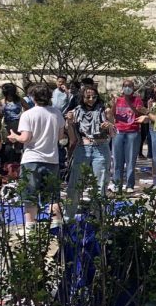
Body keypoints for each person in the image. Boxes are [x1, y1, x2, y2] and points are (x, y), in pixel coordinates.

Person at [8, 84, 64, 225]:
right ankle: (57, 223)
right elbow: (60, 137)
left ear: (33, 97)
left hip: (32, 158)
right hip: (52, 159)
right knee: (53, 196)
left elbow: (26, 138)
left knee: (29, 195)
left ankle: (30, 225)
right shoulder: (56, 113)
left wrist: (15, 136)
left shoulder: (28, 114)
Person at [66, 85, 112, 198]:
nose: (91, 99)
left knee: (100, 185)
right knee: (75, 184)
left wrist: (108, 126)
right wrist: (70, 122)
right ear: (82, 97)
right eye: (88, 97)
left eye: (94, 97)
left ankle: (98, 214)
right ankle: (69, 215)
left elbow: (113, 132)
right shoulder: (75, 112)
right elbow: (72, 138)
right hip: (83, 148)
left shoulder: (104, 110)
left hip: (101, 147)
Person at [111, 78, 149, 192]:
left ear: (133, 88)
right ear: (122, 88)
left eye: (130, 86)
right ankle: (117, 185)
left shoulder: (137, 100)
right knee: (118, 160)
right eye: (125, 86)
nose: (127, 88)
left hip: (132, 132)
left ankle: (129, 185)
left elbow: (138, 113)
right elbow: (113, 113)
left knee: (130, 160)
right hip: (119, 132)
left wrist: (128, 101)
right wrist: (113, 103)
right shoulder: (118, 100)